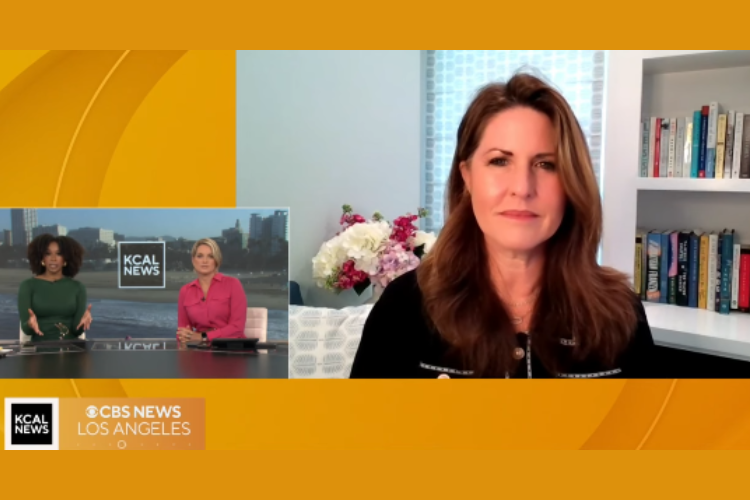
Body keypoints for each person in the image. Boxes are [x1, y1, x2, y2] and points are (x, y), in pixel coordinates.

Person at [350, 72, 656, 379]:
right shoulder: (403, 309)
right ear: (467, 177)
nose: (522, 188)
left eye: (546, 164)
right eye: (499, 161)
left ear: (571, 183)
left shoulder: (620, 312)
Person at [18, 234, 93, 342]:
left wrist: (84, 323)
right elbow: (26, 330)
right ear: (42, 258)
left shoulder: (78, 287)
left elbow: (77, 331)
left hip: (71, 348)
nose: (53, 259)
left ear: (66, 258)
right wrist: (30, 324)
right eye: (48, 254)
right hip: (39, 348)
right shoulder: (28, 286)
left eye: (59, 254)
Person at [176, 238, 248, 343]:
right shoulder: (185, 291)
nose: (204, 261)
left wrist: (204, 336)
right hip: (200, 349)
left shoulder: (233, 284)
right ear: (193, 260)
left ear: (217, 260)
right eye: (200, 256)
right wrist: (185, 336)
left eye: (210, 256)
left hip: (231, 347)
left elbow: (237, 328)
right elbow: (183, 331)